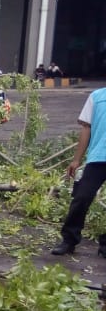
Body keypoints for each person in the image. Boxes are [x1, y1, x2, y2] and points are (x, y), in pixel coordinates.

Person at [51, 87, 106, 258]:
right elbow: (86, 129)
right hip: (98, 157)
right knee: (81, 198)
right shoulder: (97, 97)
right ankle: (69, 240)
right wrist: (76, 159)